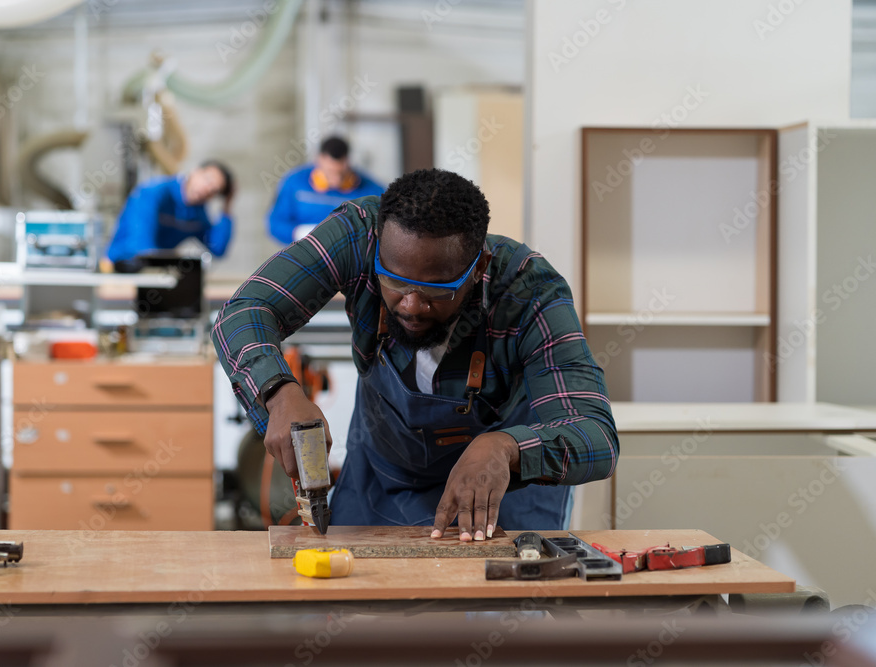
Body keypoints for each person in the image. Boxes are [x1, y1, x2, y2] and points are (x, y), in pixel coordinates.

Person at [213, 169, 618, 540]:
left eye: (435, 291)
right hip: (382, 479)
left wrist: (507, 448)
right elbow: (244, 312)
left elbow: (595, 436)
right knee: (359, 608)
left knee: (493, 614)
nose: (409, 305)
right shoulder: (360, 235)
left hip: (500, 492)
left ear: (479, 269)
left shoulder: (530, 292)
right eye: (394, 282)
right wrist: (280, 392)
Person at [106, 160, 234, 267]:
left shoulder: (197, 214)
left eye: (214, 190)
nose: (207, 189)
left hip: (155, 274)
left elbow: (217, 247)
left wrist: (227, 206)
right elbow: (140, 246)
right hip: (120, 267)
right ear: (195, 171)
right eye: (207, 180)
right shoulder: (153, 193)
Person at [266, 135, 384, 245]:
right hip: (305, 254)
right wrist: (297, 232)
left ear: (347, 162)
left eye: (340, 174)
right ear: (319, 159)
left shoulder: (369, 189)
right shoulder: (295, 183)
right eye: (330, 173)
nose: (335, 181)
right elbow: (275, 223)